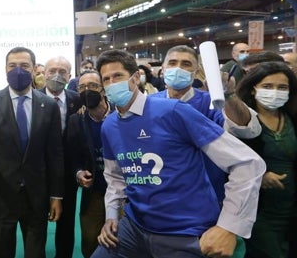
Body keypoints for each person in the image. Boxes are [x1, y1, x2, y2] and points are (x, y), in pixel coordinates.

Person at [92, 49, 265, 258]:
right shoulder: (109, 125)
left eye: (118, 76)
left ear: (136, 77)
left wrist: (228, 227)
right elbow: (115, 176)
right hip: (135, 226)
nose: (112, 83)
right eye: (106, 79)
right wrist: (111, 215)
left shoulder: (173, 110)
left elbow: (247, 162)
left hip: (185, 231)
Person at [0, 46, 64, 258]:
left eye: (24, 66)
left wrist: (56, 195)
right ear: (5, 69)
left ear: (35, 70)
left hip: (36, 196)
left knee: (36, 253)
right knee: (2, 253)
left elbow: (55, 154)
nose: (18, 70)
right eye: (12, 66)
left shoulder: (48, 105)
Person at [235, 61, 297, 258]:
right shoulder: (241, 122)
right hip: (259, 212)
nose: (275, 92)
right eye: (267, 86)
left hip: (291, 210)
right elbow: (229, 164)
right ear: (253, 90)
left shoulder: (292, 119)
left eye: (282, 87)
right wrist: (259, 177)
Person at [66, 70, 114, 257]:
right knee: (90, 238)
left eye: (93, 86)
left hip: (124, 192)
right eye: (82, 87)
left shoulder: (120, 115)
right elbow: (73, 156)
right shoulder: (76, 120)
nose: (88, 91)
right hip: (95, 190)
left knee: (122, 238)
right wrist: (78, 172)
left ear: (103, 89)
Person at [41, 56, 81, 258]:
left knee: (66, 221)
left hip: (67, 172)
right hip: (38, 171)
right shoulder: (32, 97)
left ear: (70, 75)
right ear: (44, 73)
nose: (57, 75)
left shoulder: (77, 99)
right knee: (36, 220)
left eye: (63, 71)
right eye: (52, 70)